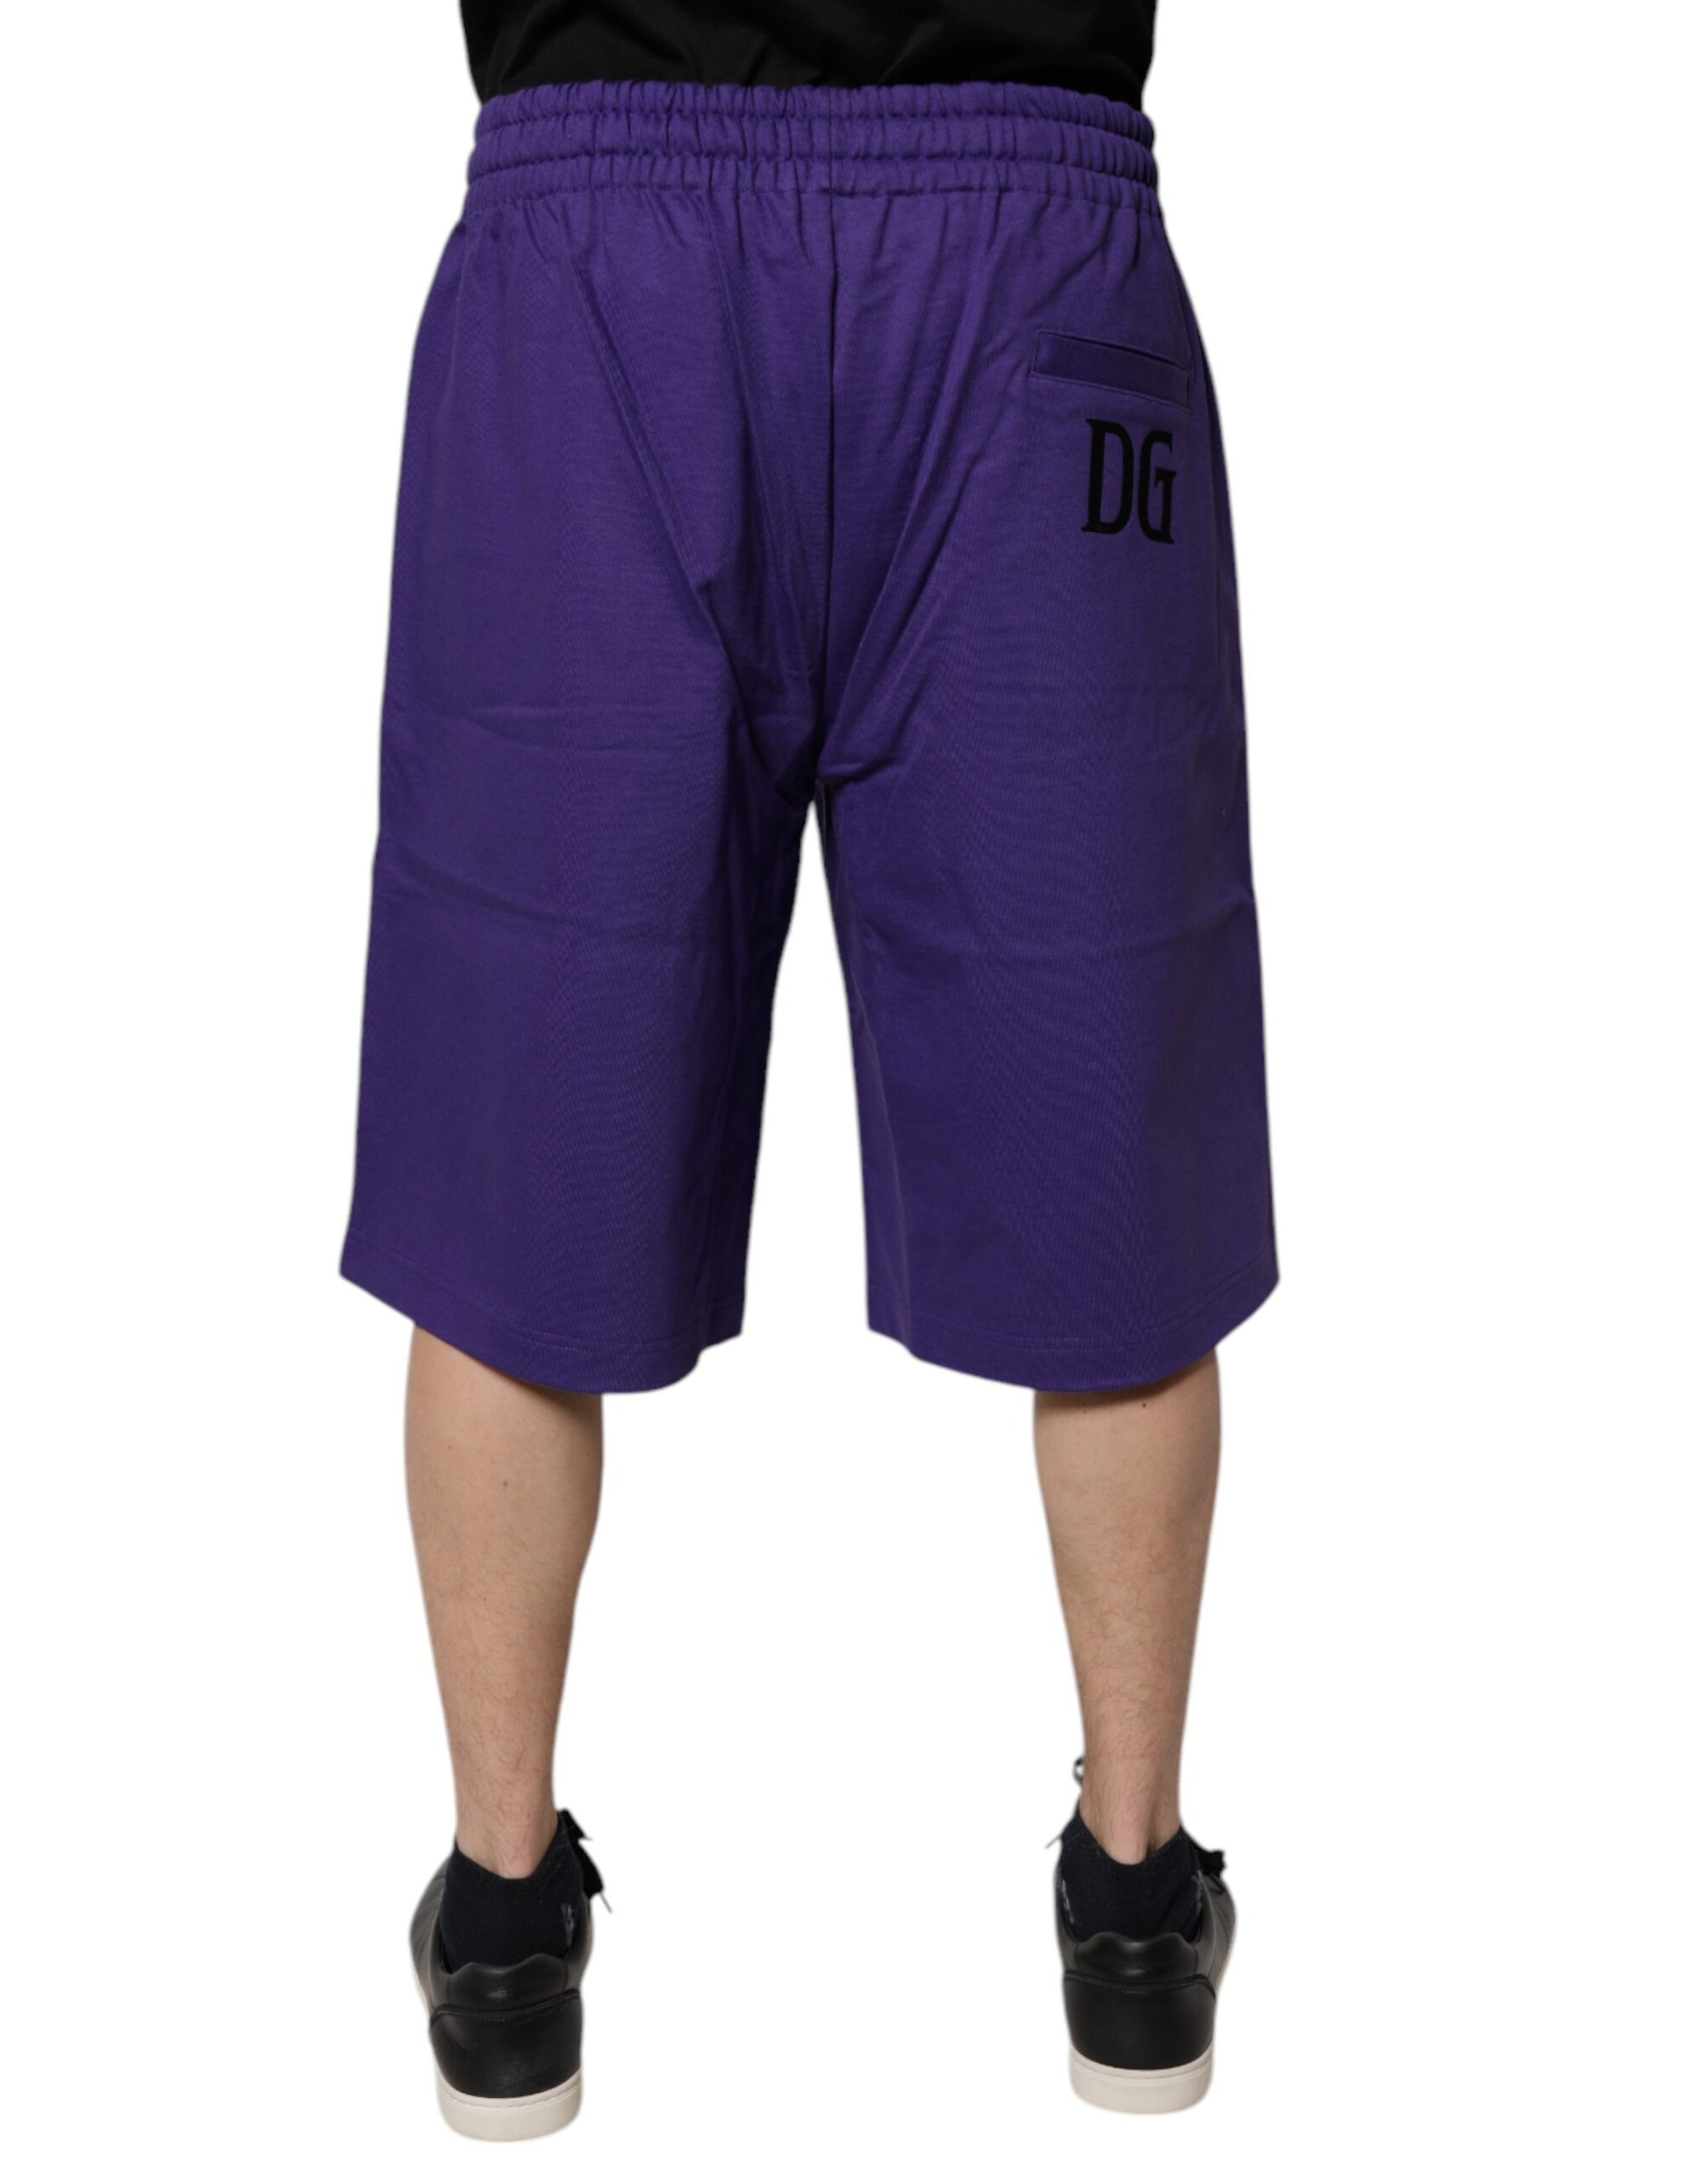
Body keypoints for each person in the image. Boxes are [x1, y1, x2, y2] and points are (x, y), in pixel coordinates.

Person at [342, 0, 1274, 2138]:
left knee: (519, 1135)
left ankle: (504, 1928)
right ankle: (1135, 1906)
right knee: (1106, 1123)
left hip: (599, 258)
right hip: (1026, 254)